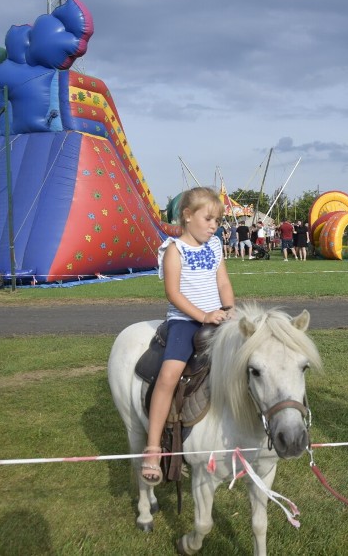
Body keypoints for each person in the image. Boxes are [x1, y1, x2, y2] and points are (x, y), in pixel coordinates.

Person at [142, 187, 235, 485]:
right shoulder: (174, 250)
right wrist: (203, 316)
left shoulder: (215, 246)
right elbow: (173, 293)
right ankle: (153, 448)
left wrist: (229, 309)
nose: (213, 225)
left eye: (217, 221)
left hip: (217, 317)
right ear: (187, 216)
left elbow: (222, 282)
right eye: (208, 218)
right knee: (169, 375)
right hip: (184, 321)